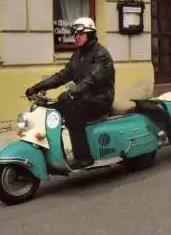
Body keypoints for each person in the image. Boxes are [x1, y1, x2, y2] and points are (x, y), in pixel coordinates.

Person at [25, 17, 115, 169]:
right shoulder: (78, 55)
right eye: (75, 34)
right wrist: (38, 87)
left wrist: (74, 91)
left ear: (91, 34)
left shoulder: (101, 55)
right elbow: (63, 75)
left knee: (73, 114)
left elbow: (91, 79)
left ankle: (84, 157)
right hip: (83, 97)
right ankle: (50, 152)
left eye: (81, 33)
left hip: (99, 99)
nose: (77, 37)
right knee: (51, 110)